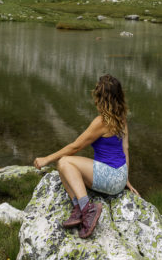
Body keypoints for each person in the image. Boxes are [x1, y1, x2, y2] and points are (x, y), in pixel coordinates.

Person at [33, 74, 138, 239]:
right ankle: (78, 209)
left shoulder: (101, 122)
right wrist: (125, 178)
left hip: (110, 177)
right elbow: (125, 148)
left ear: (100, 98)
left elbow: (75, 146)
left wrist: (46, 159)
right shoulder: (121, 118)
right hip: (119, 176)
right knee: (63, 167)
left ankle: (88, 209)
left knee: (65, 162)